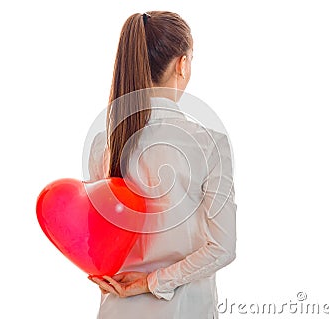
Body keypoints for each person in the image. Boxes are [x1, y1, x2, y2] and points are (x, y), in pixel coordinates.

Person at [87, 11, 237, 319]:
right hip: (183, 311)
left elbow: (97, 246)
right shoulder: (209, 143)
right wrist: (151, 282)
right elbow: (223, 247)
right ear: (182, 64)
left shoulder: (104, 143)